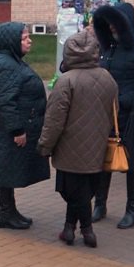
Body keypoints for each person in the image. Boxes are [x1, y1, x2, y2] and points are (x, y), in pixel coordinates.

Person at [38, 31, 118, 248]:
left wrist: (45, 146)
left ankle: (84, 230)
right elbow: (114, 112)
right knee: (85, 190)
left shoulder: (66, 81)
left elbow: (54, 119)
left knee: (72, 191)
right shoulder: (107, 77)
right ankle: (71, 228)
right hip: (97, 145)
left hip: (68, 148)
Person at [91, 2, 134, 229]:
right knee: (102, 161)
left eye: (115, 23)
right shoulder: (107, 46)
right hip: (103, 115)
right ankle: (99, 205)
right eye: (108, 23)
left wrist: (124, 102)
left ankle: (133, 210)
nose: (111, 27)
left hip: (130, 116)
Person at [0, 22, 50, 229]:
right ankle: (6, 214)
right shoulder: (6, 65)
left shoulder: (10, 60)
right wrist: (17, 130)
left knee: (7, 168)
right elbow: (5, 101)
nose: (29, 40)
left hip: (8, 126)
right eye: (24, 38)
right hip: (8, 129)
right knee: (5, 168)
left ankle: (10, 211)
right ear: (11, 41)